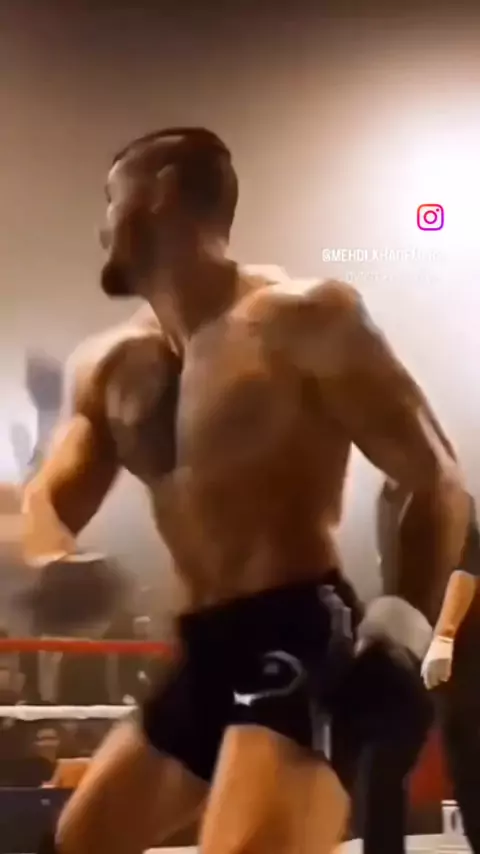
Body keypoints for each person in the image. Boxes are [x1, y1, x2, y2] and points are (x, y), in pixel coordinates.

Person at [24, 126, 469, 854]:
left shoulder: (302, 317)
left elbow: (436, 476)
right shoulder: (110, 366)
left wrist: (401, 631)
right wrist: (51, 563)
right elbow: (48, 498)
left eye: (111, 199)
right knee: (75, 846)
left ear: (160, 192)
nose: (101, 223)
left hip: (298, 640)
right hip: (202, 655)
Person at [361, 479, 479, 854]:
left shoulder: (445, 490)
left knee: (469, 767)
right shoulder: (386, 500)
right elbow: (397, 580)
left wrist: (445, 637)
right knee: (383, 761)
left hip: (461, 652)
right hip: (411, 644)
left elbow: (467, 568)